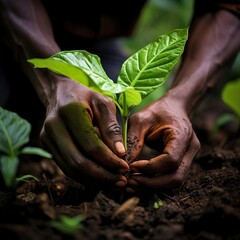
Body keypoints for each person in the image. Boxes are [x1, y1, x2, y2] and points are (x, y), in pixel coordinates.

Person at [0, 0, 239, 193]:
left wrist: (180, 99)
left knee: (103, 131)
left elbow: (226, 7)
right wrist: (55, 80)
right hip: (14, 24)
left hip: (98, 43)